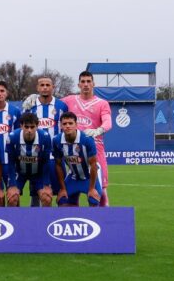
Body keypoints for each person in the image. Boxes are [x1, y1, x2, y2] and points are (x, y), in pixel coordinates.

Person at [27, 71, 112, 206]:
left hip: (95, 149)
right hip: (72, 151)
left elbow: (108, 122)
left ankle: (105, 223)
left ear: (93, 84)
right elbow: (49, 99)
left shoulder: (102, 103)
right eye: (83, 82)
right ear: (78, 84)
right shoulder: (70, 100)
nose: (85, 85)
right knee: (70, 194)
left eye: (88, 81)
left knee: (100, 194)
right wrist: (34, 97)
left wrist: (99, 130)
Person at [20, 75, 68, 205]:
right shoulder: (30, 106)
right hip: (36, 158)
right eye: (42, 85)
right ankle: (35, 223)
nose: (45, 88)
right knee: (36, 194)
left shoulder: (61, 106)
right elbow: (23, 130)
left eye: (48, 85)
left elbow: (66, 129)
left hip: (56, 159)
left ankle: (59, 221)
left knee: (61, 194)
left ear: (53, 87)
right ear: (37, 88)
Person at [53, 112, 104, 207]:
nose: (67, 126)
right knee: (62, 200)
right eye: (64, 124)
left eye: (70, 123)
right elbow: (58, 164)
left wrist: (92, 188)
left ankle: (92, 221)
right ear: (61, 125)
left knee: (93, 200)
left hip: (90, 176)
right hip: (74, 175)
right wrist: (63, 188)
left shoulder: (87, 139)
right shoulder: (56, 140)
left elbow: (93, 165)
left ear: (76, 125)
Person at [6, 113, 54, 207]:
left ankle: (46, 221)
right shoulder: (12, 137)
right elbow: (11, 163)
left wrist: (46, 185)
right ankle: (13, 221)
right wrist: (12, 185)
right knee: (12, 199)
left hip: (38, 173)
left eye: (32, 127)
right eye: (26, 127)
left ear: (37, 126)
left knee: (47, 198)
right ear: (21, 126)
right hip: (19, 173)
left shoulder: (45, 137)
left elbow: (46, 163)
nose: (29, 130)